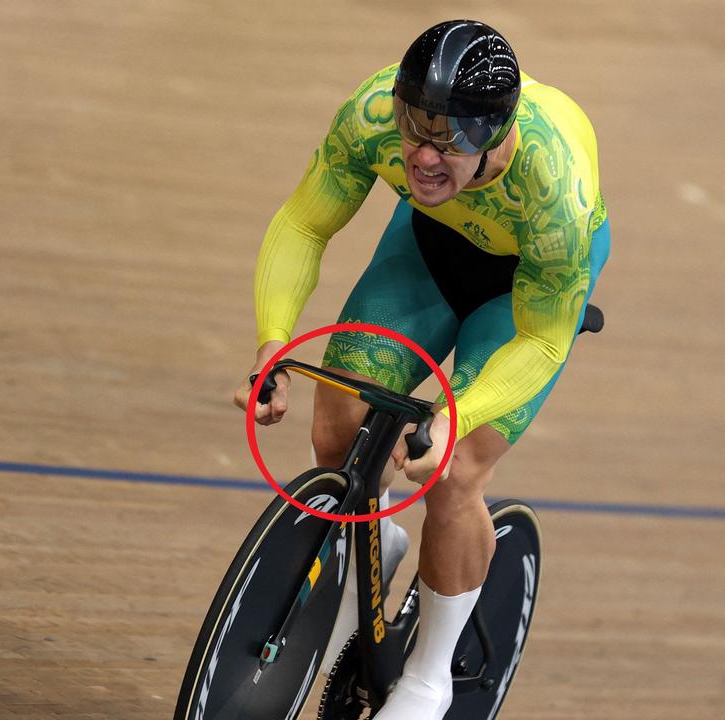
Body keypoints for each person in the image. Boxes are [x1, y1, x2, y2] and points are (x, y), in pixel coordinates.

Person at [232, 18, 610, 719]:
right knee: (338, 428)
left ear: (497, 134)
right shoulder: (373, 114)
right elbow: (304, 223)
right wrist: (271, 343)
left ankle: (431, 677)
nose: (426, 157)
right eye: (416, 127)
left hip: (523, 287)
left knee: (455, 468)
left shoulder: (555, 189)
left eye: (455, 139)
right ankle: (374, 551)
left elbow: (544, 342)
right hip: (431, 247)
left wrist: (454, 414)